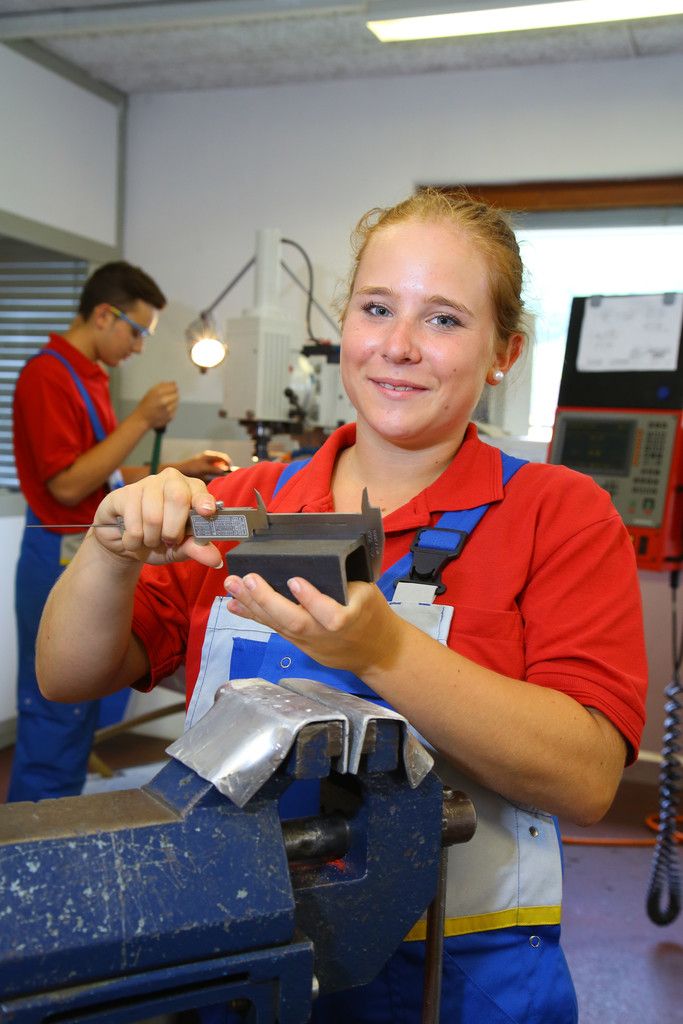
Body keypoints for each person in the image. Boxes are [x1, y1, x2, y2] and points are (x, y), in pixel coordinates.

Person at [35, 192, 647, 1023]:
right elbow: (68, 675)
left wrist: (383, 652)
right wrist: (109, 551)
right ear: (342, 324)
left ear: (504, 351)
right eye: (376, 308)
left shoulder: (559, 515)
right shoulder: (243, 504)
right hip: (239, 958)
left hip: (458, 979)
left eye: (443, 320)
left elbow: (584, 779)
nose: (397, 346)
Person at [8, 260, 231, 804]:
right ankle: (33, 860)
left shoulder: (90, 376)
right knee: (57, 712)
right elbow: (66, 486)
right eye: (136, 332)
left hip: (92, 544)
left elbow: (100, 476)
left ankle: (62, 831)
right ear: (105, 316)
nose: (136, 347)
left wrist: (182, 471)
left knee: (86, 709)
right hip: (57, 549)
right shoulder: (47, 375)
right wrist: (139, 420)